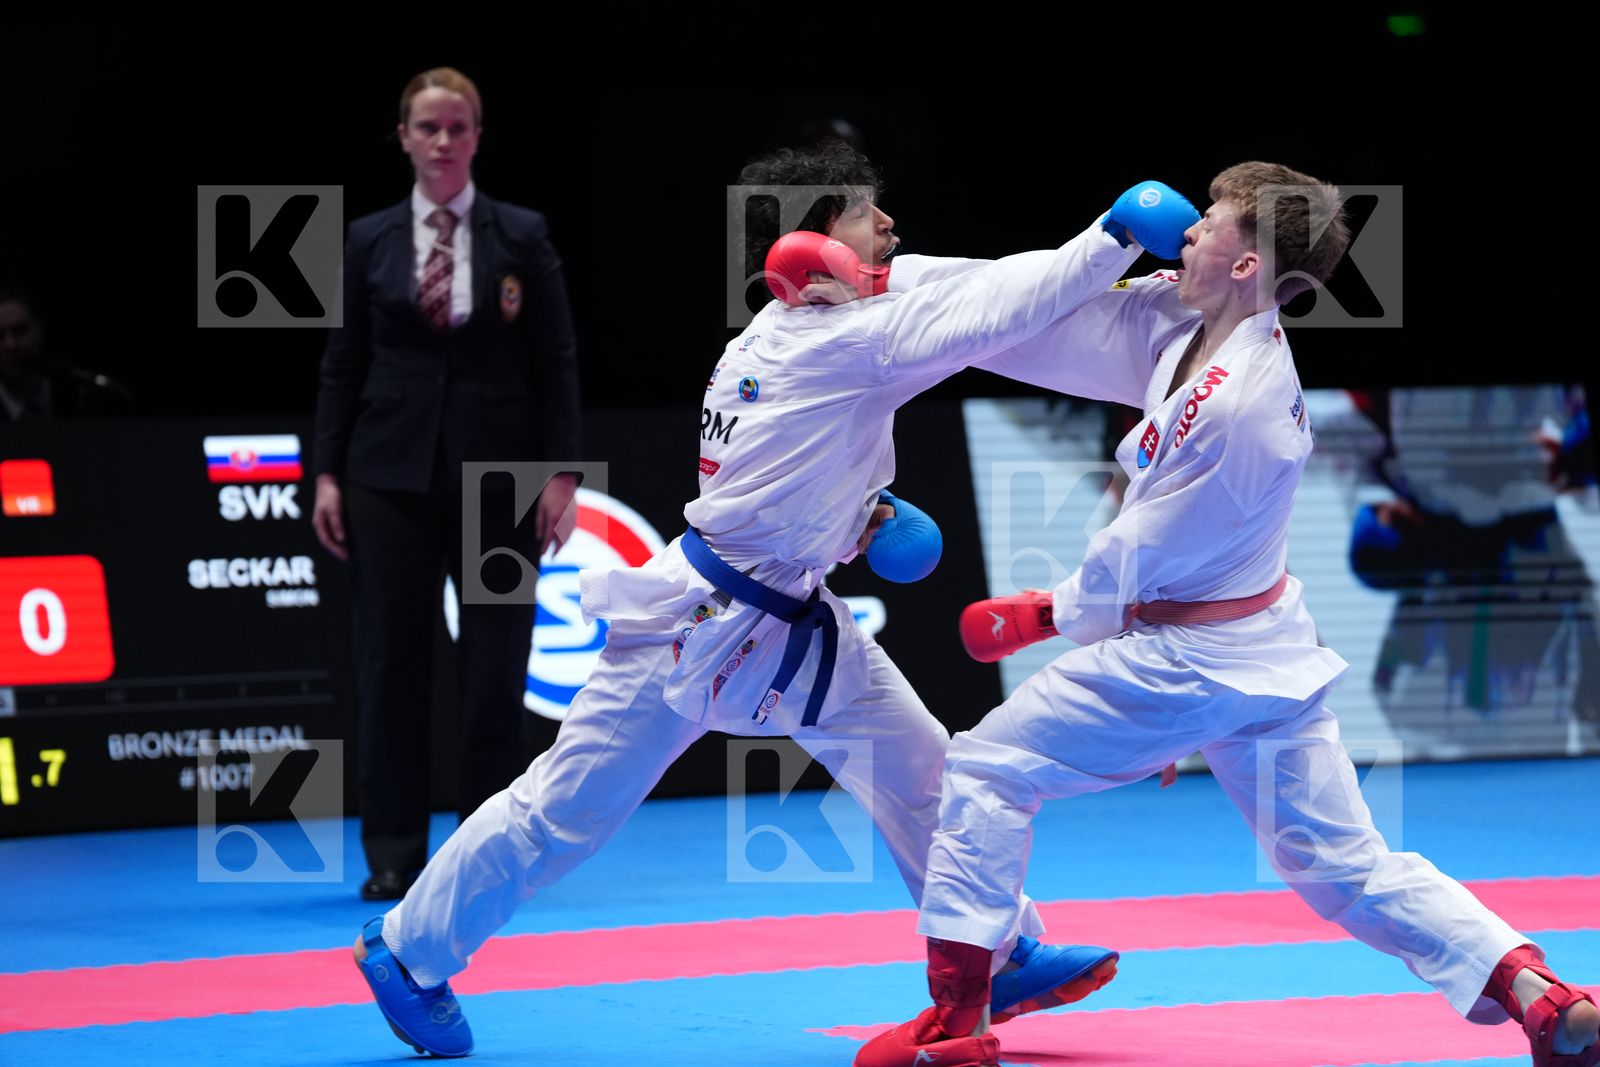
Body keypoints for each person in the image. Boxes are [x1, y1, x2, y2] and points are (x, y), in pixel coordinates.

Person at [349, 139, 1201, 1057]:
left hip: (792, 612)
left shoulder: (772, 332)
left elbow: (785, 463)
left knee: (923, 770)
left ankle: (997, 945)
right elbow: (995, 311)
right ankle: (405, 950)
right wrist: (1114, 238)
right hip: (697, 628)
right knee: (563, 815)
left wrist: (860, 515)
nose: (890, 227)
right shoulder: (843, 338)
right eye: (869, 213)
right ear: (820, 233)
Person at [855, 163, 1599, 1067]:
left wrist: (1048, 614)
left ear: (1247, 263)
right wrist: (892, 285)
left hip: (1185, 656)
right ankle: (1537, 990)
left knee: (985, 767)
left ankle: (956, 1022)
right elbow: (1040, 310)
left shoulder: (1235, 407)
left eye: (1209, 223)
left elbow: (1139, 551)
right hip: (1259, 654)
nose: (1190, 233)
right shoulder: (1187, 322)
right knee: (1344, 870)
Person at [311, 67, 582, 902]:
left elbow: (557, 358)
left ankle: (485, 851)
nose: (443, 141)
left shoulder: (521, 234)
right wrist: (324, 469)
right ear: (403, 136)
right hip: (385, 474)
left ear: (476, 136)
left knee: (495, 665)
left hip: (501, 474)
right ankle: (394, 850)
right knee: (390, 661)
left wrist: (564, 471)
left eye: (458, 127)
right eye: (428, 127)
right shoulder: (367, 239)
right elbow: (343, 360)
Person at [0, 285, 131, 420]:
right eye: (0, 335)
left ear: (40, 330)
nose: (11, 345)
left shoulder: (85, 400)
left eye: (20, 331)